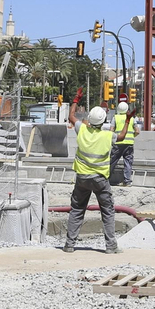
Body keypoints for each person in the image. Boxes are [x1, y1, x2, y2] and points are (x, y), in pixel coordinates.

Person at [65, 105, 118, 254]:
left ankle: (69, 244)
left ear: (89, 119)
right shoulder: (108, 136)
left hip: (82, 178)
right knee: (107, 211)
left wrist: (75, 101)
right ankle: (111, 246)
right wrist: (126, 121)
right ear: (103, 121)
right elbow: (120, 137)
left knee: (77, 209)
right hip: (100, 179)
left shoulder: (81, 130)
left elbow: (71, 116)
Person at [111, 101, 141, 187]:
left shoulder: (115, 117)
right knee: (128, 162)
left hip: (118, 143)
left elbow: (111, 131)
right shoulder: (131, 118)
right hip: (129, 144)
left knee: (112, 161)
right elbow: (137, 131)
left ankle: (105, 179)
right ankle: (127, 181)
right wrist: (132, 136)